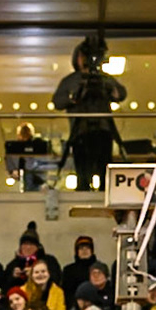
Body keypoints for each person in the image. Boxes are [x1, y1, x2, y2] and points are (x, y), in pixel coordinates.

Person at [50, 34, 126, 193]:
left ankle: (106, 195)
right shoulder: (71, 80)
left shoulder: (104, 79)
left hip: (103, 130)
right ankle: (84, 193)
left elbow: (121, 93)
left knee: (105, 168)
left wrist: (110, 90)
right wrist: (74, 97)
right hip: (81, 131)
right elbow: (58, 101)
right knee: (83, 172)